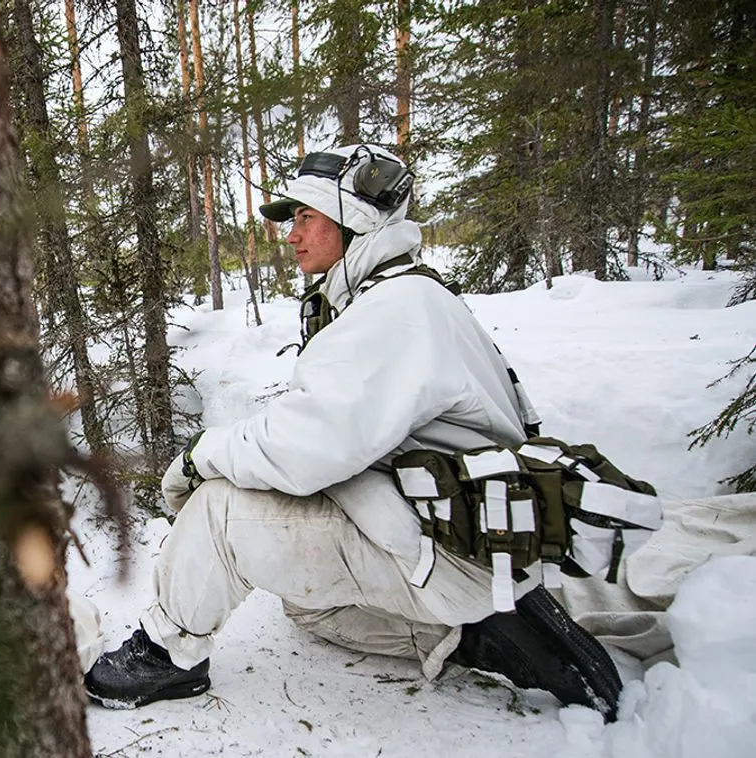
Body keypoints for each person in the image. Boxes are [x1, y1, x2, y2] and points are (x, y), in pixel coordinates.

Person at [83, 143, 626, 715]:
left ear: (355, 221)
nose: (291, 234)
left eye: (306, 217)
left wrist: (201, 456)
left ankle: (169, 658)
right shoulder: (409, 294)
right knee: (308, 606)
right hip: (461, 534)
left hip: (452, 543)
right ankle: (471, 635)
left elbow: (305, 447)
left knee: (219, 509)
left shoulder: (395, 309)